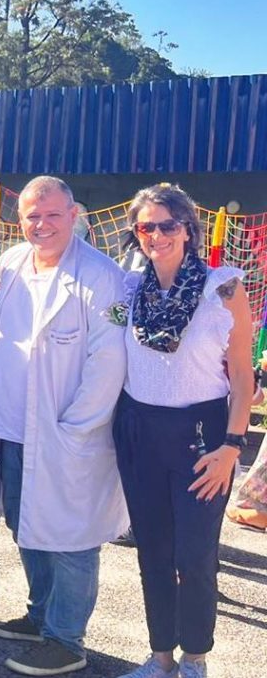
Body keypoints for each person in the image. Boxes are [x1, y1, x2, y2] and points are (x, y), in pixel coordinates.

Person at [0, 176, 128, 677]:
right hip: (11, 427)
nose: (41, 225)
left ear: (73, 215)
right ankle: (40, 614)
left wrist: (76, 427)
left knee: (71, 536)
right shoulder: (13, 262)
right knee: (26, 524)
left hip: (67, 434)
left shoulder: (101, 277)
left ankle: (66, 639)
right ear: (20, 220)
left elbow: (109, 362)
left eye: (52, 215)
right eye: (32, 216)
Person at [113, 184, 253, 678]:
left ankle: (195, 658)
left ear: (188, 229)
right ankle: (160, 657)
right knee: (152, 550)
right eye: (145, 227)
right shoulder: (130, 289)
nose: (156, 235)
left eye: (167, 225)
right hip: (139, 431)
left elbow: (243, 376)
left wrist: (232, 447)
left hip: (203, 434)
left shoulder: (223, 288)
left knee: (194, 555)